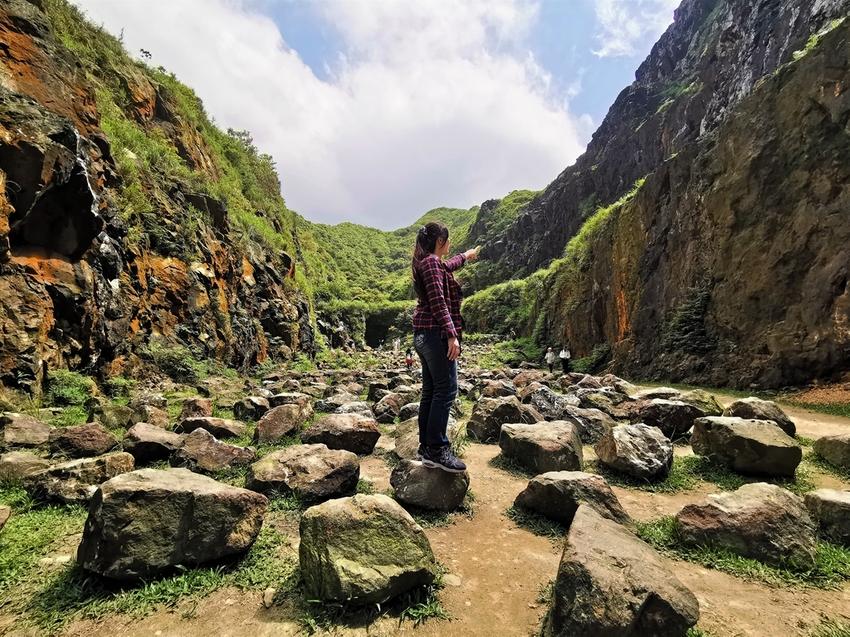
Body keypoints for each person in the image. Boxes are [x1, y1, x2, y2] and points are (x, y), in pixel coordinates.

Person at [412, 221, 477, 473]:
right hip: (434, 334)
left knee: (431, 392)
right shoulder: (430, 263)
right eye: (448, 240)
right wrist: (452, 335)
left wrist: (466, 256)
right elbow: (439, 302)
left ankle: (427, 448)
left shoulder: (431, 263)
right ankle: (438, 450)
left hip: (425, 335)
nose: (450, 244)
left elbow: (448, 265)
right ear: (440, 241)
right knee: (447, 389)